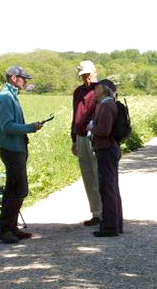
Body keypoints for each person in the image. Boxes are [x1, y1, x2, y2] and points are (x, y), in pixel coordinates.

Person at [0, 66, 44, 244]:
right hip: (12, 150)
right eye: (23, 78)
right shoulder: (6, 98)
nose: (26, 81)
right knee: (20, 189)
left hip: (15, 149)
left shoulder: (10, 96)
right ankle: (4, 229)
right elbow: (7, 126)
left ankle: (11, 228)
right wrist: (30, 127)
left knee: (12, 189)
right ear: (14, 78)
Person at [89, 79, 123, 237]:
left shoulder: (107, 105)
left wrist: (91, 128)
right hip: (108, 149)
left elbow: (104, 130)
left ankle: (110, 226)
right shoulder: (106, 104)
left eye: (97, 88)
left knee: (107, 187)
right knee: (111, 186)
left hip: (106, 149)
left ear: (104, 89)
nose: (94, 91)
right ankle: (115, 224)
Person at [71, 60, 102, 226]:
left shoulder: (101, 90)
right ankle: (96, 213)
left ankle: (106, 212)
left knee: (99, 175)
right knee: (88, 177)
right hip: (80, 137)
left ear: (95, 72)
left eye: (88, 74)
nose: (86, 78)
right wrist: (73, 139)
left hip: (95, 138)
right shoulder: (78, 92)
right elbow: (75, 116)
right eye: (83, 75)